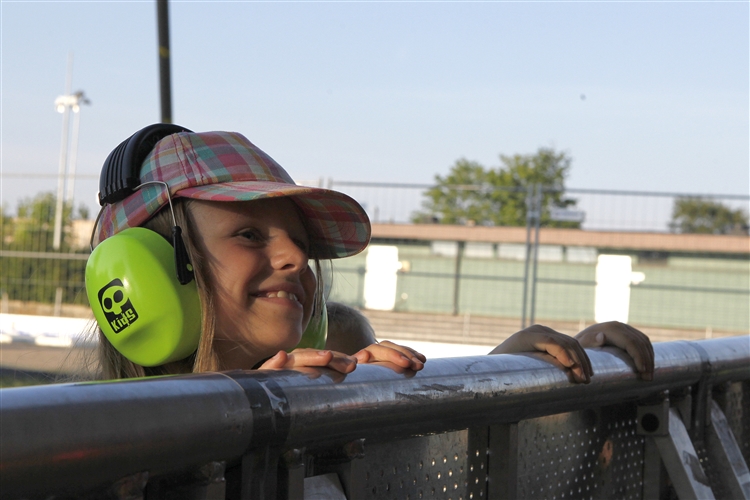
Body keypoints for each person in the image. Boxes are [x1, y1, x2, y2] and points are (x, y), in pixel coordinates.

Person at [88, 125, 653, 382]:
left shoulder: (339, 366)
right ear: (143, 276)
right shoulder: (88, 448)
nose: (293, 257)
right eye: (249, 235)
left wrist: (501, 374)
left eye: (302, 244)